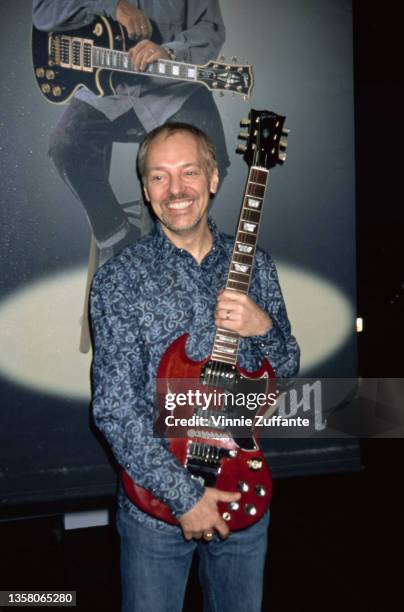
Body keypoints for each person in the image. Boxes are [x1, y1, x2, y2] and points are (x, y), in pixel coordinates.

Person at [90, 122, 300, 611]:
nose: (176, 190)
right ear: (144, 191)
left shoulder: (257, 266)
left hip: (242, 490)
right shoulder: (119, 280)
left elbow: (287, 373)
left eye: (189, 172)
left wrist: (262, 326)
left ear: (214, 179)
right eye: (159, 177)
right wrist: (186, 498)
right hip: (156, 508)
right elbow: (115, 411)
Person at [32, 0, 229, 261]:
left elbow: (210, 28)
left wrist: (169, 53)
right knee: (65, 145)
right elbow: (43, 11)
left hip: (171, 90)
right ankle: (119, 241)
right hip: (108, 90)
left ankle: (166, 247)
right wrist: (112, 6)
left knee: (210, 159)